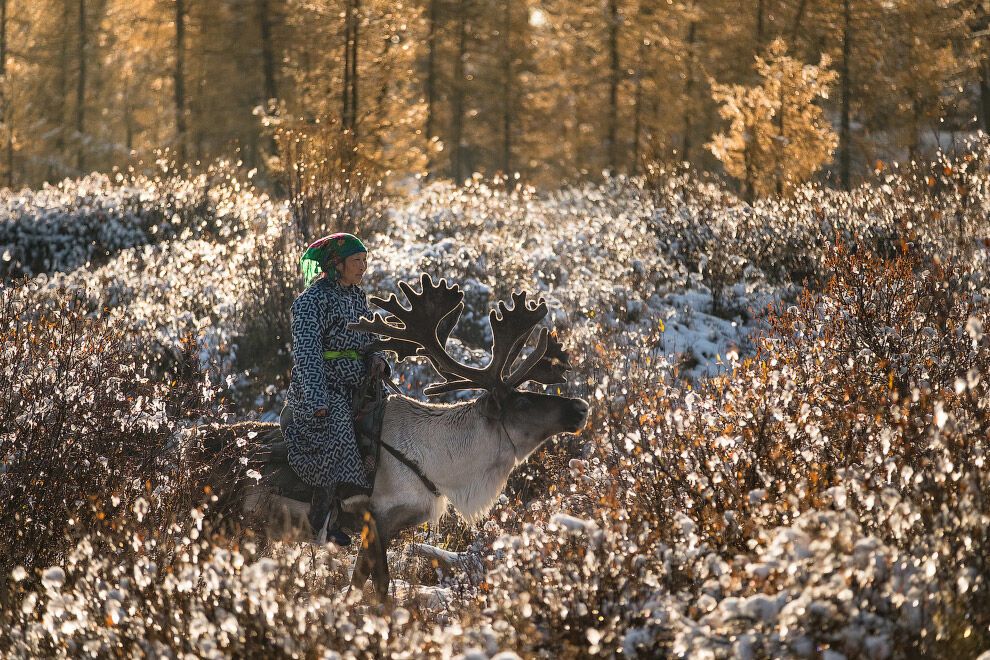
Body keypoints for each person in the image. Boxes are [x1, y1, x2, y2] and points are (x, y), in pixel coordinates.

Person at [282, 232, 388, 546]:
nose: (363, 267)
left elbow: (371, 340)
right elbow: (307, 355)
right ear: (337, 264)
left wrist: (378, 359)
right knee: (337, 433)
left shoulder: (358, 297)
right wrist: (317, 399)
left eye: (365, 260)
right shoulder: (310, 301)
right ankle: (322, 522)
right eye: (356, 260)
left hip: (359, 387)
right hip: (321, 390)